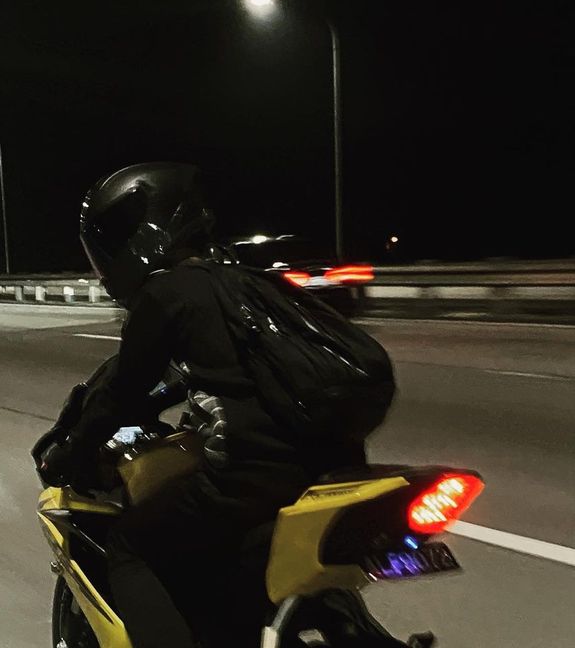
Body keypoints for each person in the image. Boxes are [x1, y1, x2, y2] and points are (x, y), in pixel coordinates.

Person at [37, 162, 370, 648]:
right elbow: (217, 374)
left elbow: (120, 393)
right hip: (330, 467)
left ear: (135, 241)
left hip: (254, 476)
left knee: (131, 547)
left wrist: (76, 450)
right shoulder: (248, 283)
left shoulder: (167, 293)